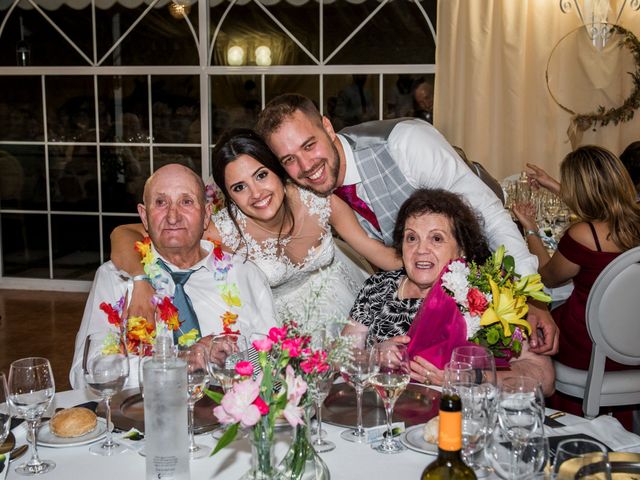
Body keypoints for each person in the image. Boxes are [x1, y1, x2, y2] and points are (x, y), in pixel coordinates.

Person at [255, 93, 558, 355]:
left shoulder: (404, 143)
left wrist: (528, 296)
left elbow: (488, 216)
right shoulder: (312, 193)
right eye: (289, 159)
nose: (306, 167)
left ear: (328, 127)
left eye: (309, 145)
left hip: (494, 281)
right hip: (423, 307)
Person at [110, 130, 401, 335]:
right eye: (239, 187)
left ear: (276, 170)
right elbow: (124, 234)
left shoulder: (320, 202)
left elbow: (377, 252)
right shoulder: (222, 230)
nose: (257, 194)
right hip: (284, 331)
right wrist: (139, 279)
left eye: (261, 175)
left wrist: (439, 272)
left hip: (346, 305)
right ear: (228, 197)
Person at [70, 163, 277, 389]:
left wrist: (224, 359)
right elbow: (86, 374)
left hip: (232, 420)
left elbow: (273, 363)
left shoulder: (245, 274)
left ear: (207, 214)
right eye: (161, 203)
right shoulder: (114, 277)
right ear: (144, 216)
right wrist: (177, 364)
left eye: (186, 202)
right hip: (143, 420)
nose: (172, 216)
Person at [343, 189, 555, 395]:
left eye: (436, 238)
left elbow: (544, 378)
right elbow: (339, 357)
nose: (421, 250)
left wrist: (471, 379)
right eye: (411, 238)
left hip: (458, 418)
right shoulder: (379, 287)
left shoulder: (483, 295)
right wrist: (373, 356)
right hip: (385, 413)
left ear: (462, 248)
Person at [513, 146, 640, 402]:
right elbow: (601, 207)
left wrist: (530, 229)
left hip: (591, 349)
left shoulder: (584, 235)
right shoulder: (634, 219)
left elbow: (547, 277)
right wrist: (552, 184)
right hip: (632, 343)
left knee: (529, 321)